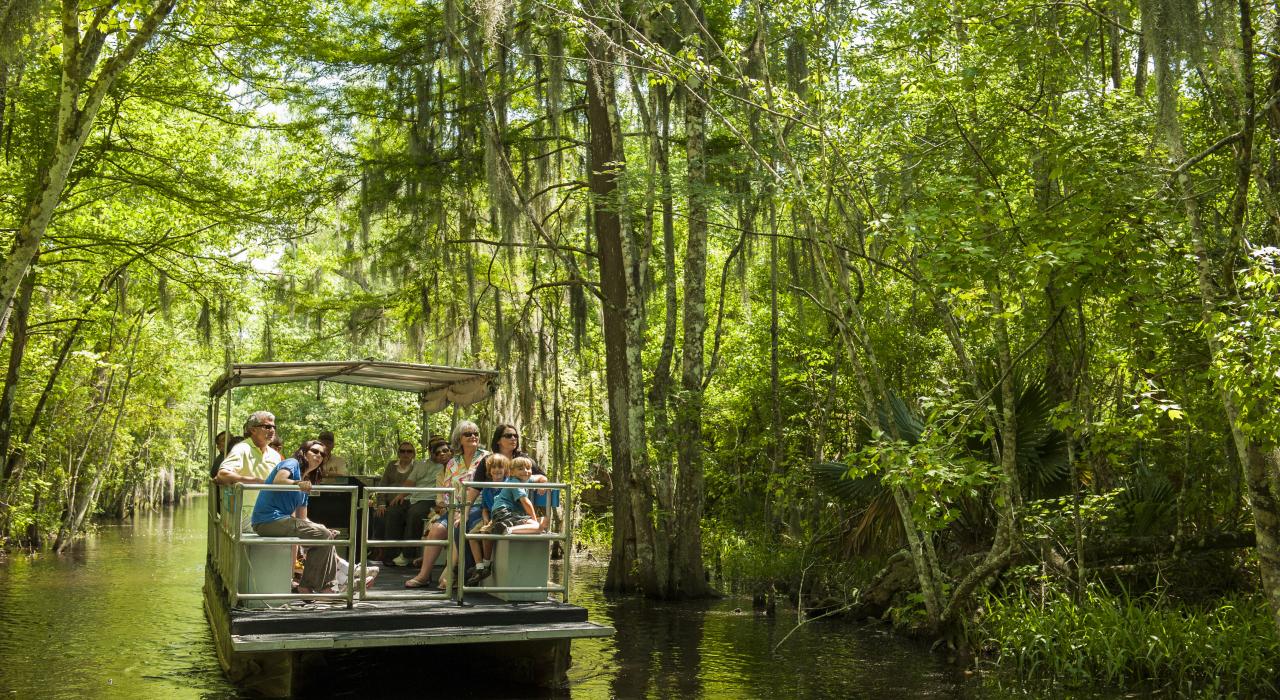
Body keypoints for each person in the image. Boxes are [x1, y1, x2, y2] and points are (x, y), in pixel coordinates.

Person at [405, 421, 487, 589]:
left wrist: (463, 510)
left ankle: (452, 574)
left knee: (458, 525)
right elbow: (447, 490)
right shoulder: (452, 462)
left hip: (478, 506)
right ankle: (424, 575)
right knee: (436, 529)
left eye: (475, 433)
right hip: (455, 507)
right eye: (468, 434)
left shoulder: (487, 458)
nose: (473, 436)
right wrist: (453, 509)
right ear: (459, 439)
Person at [250, 440, 339, 594]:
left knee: (326, 535)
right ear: (303, 452)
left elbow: (302, 519)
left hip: (282, 522)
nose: (319, 455)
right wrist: (298, 483)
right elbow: (279, 480)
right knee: (323, 534)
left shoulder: (305, 482)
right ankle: (311, 586)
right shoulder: (292, 463)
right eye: (315, 451)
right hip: (267, 521)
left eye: (323, 454)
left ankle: (325, 586)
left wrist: (322, 528)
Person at [214, 411, 282, 530]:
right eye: (267, 427)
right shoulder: (241, 449)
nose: (272, 430)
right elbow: (222, 475)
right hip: (245, 516)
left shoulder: (275, 455)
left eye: (273, 427)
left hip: (271, 514)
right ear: (253, 430)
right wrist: (256, 481)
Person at [375, 440, 436, 567]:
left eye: (409, 451)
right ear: (398, 453)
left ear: (414, 454)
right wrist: (381, 503)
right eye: (402, 451)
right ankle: (389, 554)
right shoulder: (391, 465)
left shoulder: (418, 466)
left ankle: (408, 554)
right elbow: (383, 485)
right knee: (390, 514)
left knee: (411, 514)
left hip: (411, 498)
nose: (406, 454)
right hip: (393, 501)